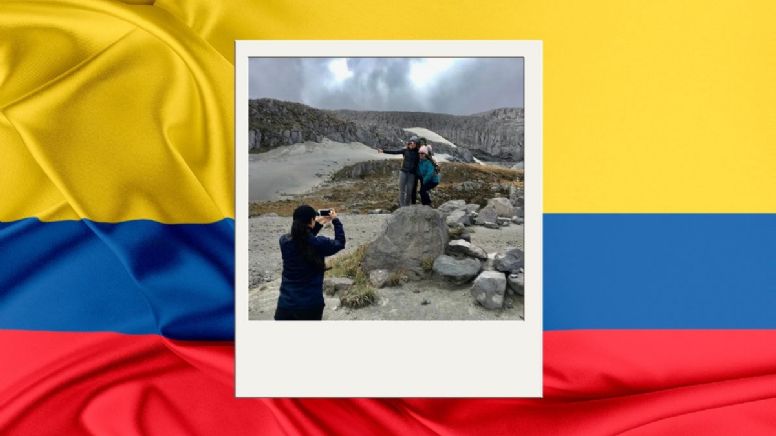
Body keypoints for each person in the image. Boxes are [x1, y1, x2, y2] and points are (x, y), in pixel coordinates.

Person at [275, 205, 345, 321]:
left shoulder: (284, 241)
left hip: (285, 306)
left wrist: (315, 224)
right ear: (312, 220)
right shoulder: (319, 244)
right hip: (310, 306)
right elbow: (340, 242)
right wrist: (335, 221)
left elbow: (302, 238)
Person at [377, 135, 420, 207]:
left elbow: (425, 156)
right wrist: (383, 151)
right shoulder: (405, 150)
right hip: (403, 172)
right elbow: (394, 152)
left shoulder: (418, 153)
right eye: (411, 143)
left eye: (414, 143)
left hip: (412, 174)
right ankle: (402, 207)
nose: (412, 144)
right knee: (402, 191)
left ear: (416, 145)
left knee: (409, 191)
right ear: (409, 143)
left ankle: (407, 206)